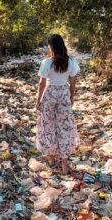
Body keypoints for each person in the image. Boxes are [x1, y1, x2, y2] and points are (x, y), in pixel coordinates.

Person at [35, 34, 80, 174]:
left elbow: (42, 84)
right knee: (64, 127)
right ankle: (65, 162)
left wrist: (38, 100)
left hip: (50, 95)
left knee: (48, 126)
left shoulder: (47, 62)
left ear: (52, 46)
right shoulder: (71, 62)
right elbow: (73, 82)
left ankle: (51, 159)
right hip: (63, 94)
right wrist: (71, 97)